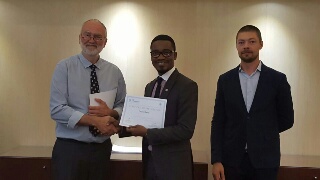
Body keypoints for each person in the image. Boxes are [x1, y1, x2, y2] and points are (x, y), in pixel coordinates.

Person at [210, 25, 294, 180]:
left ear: (261, 44)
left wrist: (262, 131)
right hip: (231, 161)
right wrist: (216, 160)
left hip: (266, 161)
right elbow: (218, 122)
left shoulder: (277, 79)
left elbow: (287, 119)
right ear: (236, 46)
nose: (246, 46)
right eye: (241, 42)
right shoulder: (225, 80)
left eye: (251, 41)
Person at [50, 19, 126, 180]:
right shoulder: (64, 68)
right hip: (69, 150)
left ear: (105, 42)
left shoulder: (115, 72)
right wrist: (95, 121)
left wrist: (111, 113)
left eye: (98, 37)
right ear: (80, 38)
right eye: (87, 35)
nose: (92, 40)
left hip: (102, 149)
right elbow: (57, 110)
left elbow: (122, 105)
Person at [121, 34, 198, 180]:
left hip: (174, 168)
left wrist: (147, 133)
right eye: (155, 53)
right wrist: (119, 127)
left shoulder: (187, 86)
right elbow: (146, 121)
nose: (160, 57)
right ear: (151, 57)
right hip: (150, 164)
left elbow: (185, 130)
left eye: (166, 52)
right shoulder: (150, 87)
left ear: (175, 55)